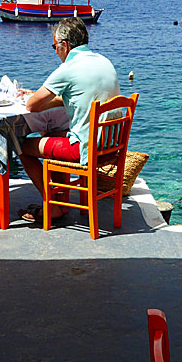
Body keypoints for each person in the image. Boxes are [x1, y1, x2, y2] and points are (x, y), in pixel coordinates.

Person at [18, 17, 120, 222]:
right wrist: (55, 99)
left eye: (54, 46)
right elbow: (82, 96)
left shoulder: (68, 69)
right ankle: (60, 201)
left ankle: (53, 205)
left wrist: (32, 96)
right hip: (108, 143)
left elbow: (32, 106)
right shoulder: (104, 61)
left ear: (65, 45)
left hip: (84, 147)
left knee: (22, 146)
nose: (55, 52)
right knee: (53, 134)